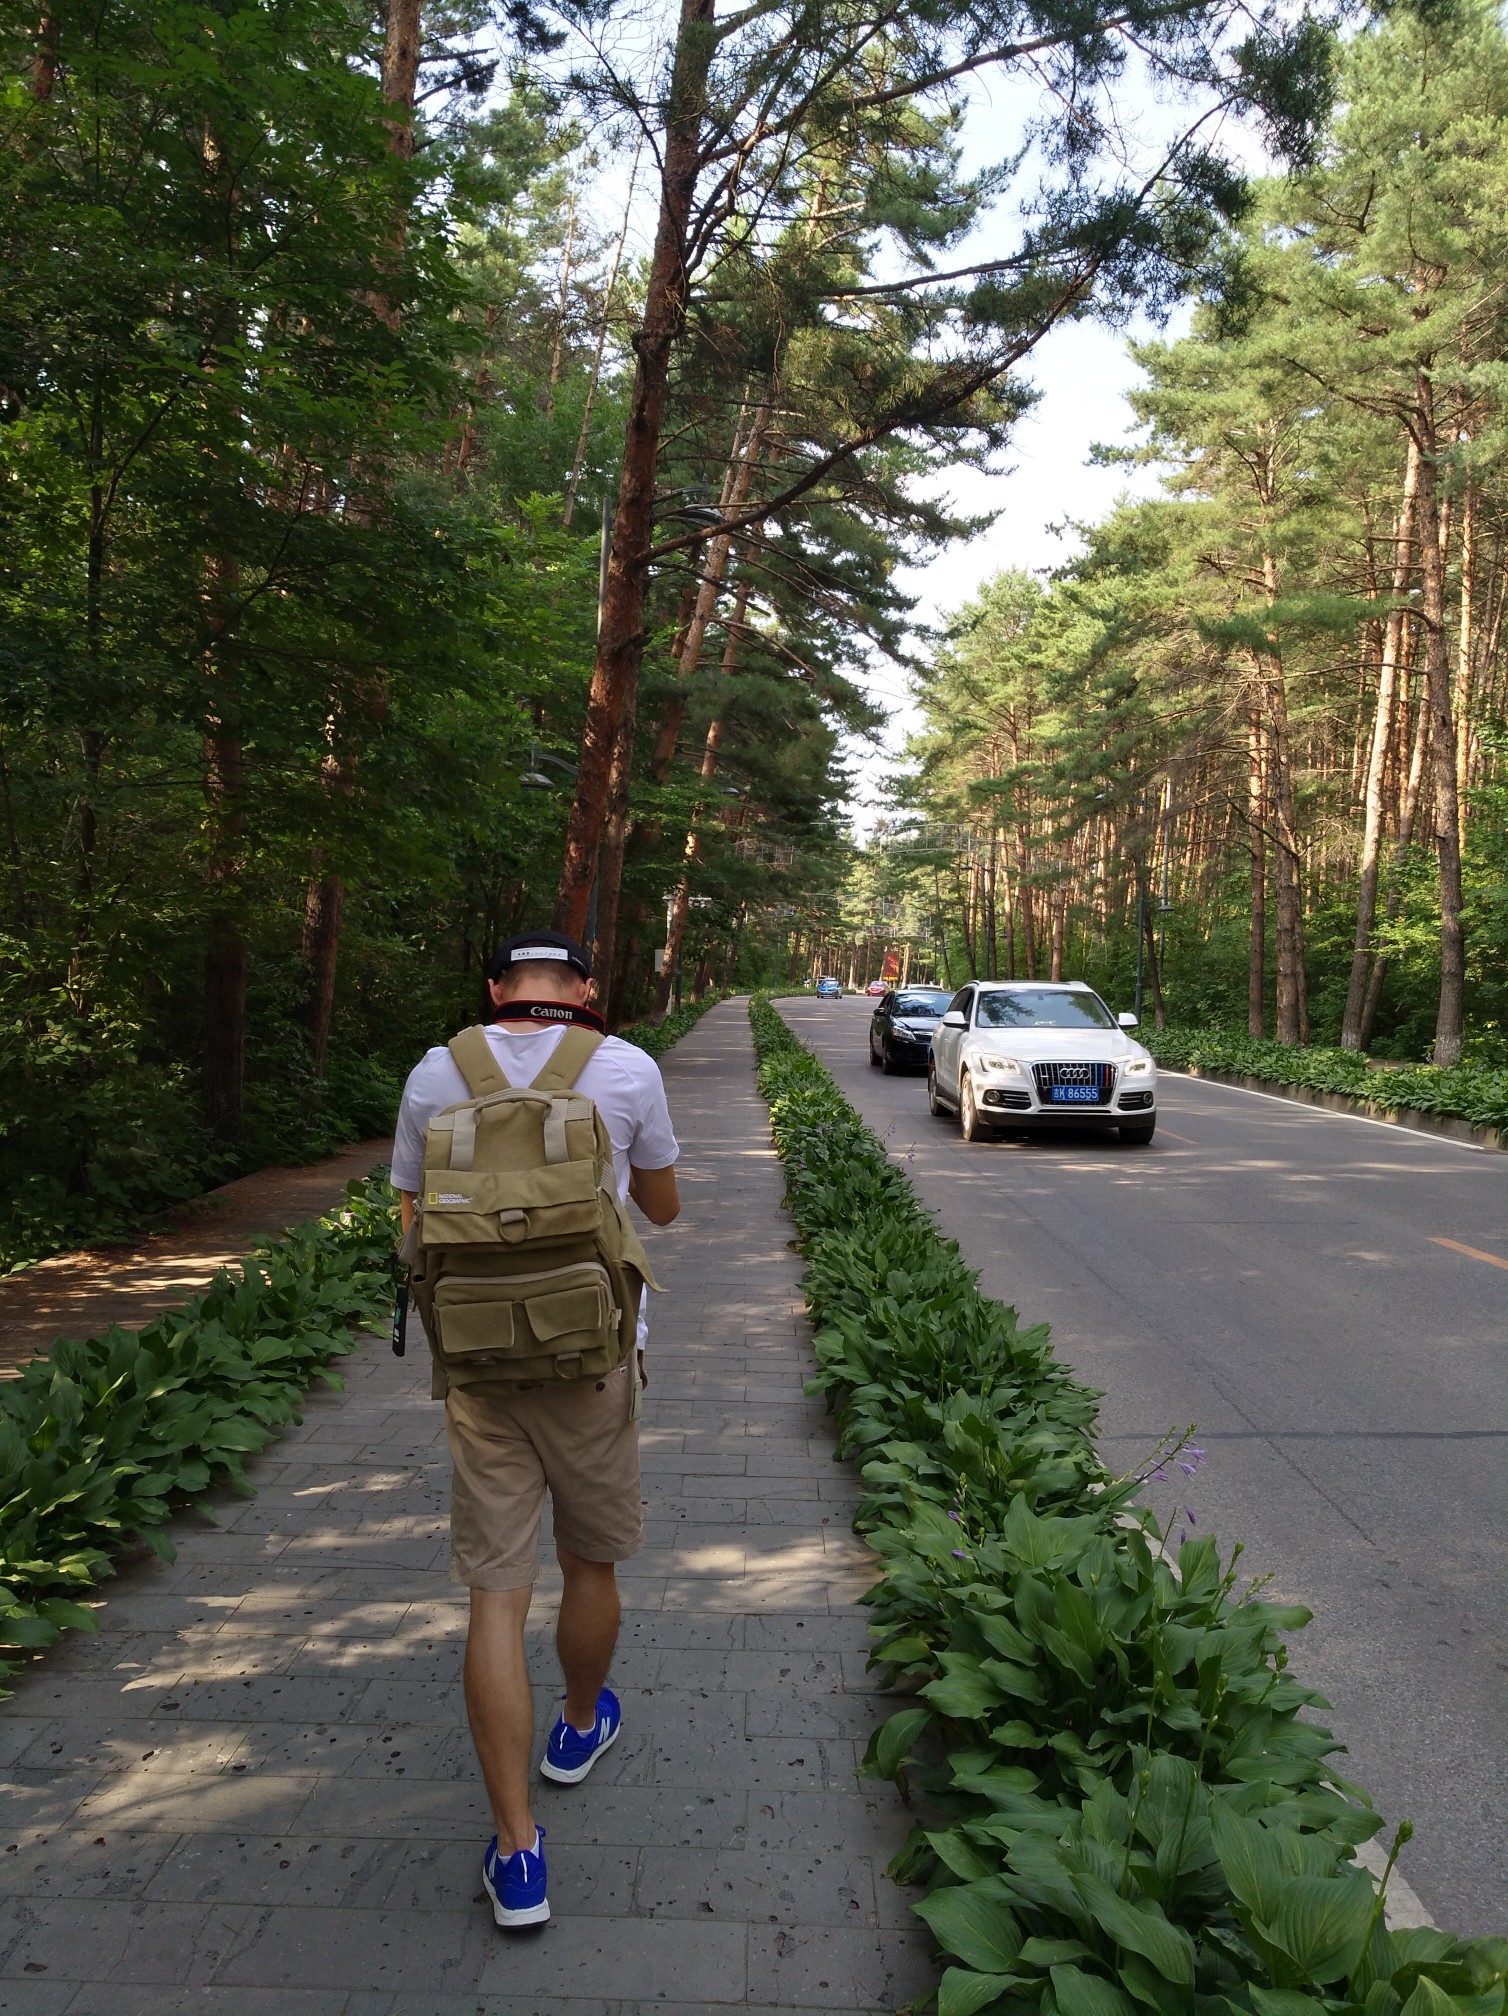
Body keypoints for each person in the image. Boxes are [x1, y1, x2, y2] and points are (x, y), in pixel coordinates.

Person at [390, 928, 680, 1930]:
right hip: (591, 1358)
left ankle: (517, 1853)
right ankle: (577, 1725)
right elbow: (663, 1209)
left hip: (478, 1369)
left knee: (495, 1595)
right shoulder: (627, 1068)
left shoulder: (435, 1073)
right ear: (585, 991)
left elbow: (410, 1216)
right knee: (589, 1560)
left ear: (496, 989)